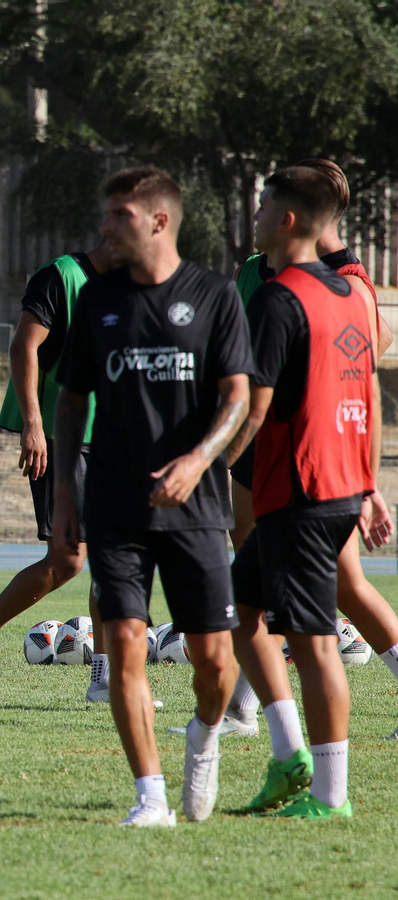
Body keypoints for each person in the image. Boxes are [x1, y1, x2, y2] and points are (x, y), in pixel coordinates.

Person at [53, 166, 252, 826]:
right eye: (106, 215)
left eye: (119, 216)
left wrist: (199, 461)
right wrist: (64, 495)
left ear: (159, 221)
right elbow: (73, 396)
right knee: (126, 642)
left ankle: (203, 734)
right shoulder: (98, 299)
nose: (105, 227)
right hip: (114, 504)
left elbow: (238, 397)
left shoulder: (216, 294)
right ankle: (151, 796)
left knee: (214, 661)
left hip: (197, 509)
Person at [212, 158, 398, 741]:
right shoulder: (261, 270)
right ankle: (252, 709)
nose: (257, 212)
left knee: (331, 598)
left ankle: (311, 764)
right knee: (254, 581)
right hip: (273, 450)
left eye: (267, 203)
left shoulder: (343, 281)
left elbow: (368, 355)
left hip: (304, 457)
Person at [0, 241, 115, 703]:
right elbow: (25, 344)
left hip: (112, 438)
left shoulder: (134, 285)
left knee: (110, 560)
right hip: (64, 435)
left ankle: (104, 680)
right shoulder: (60, 275)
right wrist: (34, 424)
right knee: (68, 560)